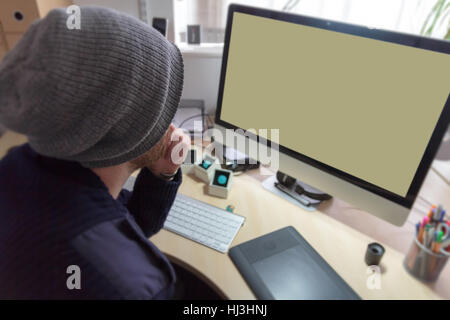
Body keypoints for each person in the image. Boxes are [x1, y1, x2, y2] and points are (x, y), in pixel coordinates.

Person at [0, 6, 192, 299]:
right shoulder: (136, 287)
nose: (171, 124)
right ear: (125, 125)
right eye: (165, 109)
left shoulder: (18, 163)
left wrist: (163, 172)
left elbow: (116, 224)